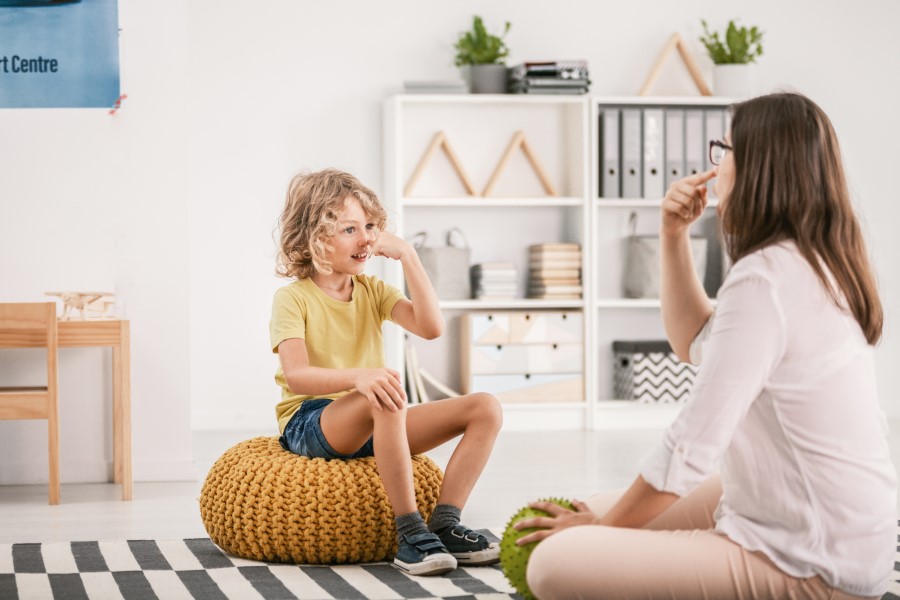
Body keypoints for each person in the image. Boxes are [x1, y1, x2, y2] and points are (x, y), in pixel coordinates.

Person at [516, 92, 897, 599]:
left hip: (814, 563)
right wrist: (673, 235)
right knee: (599, 505)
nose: (717, 167)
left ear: (762, 166)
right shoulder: (810, 261)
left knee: (556, 561)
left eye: (727, 150)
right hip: (845, 532)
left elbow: (690, 446)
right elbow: (693, 342)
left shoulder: (766, 278)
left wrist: (602, 533)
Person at [270, 168, 503, 577]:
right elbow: (298, 376)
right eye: (349, 229)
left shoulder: (373, 292)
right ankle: (410, 535)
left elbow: (431, 328)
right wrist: (360, 378)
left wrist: (409, 256)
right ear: (315, 237)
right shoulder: (293, 299)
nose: (366, 239)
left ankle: (445, 525)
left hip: (377, 416)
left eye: (371, 227)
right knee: (383, 388)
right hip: (312, 422)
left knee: (485, 407)